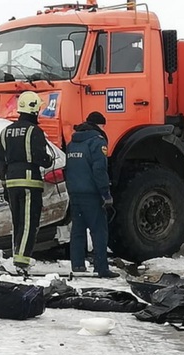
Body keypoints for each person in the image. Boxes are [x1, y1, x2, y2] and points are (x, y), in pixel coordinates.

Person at [0, 91, 53, 278]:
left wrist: (4, 183)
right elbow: (41, 158)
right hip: (30, 181)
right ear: (34, 109)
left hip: (11, 181)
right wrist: (48, 160)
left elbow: (0, 161)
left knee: (17, 222)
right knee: (29, 222)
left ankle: (17, 256)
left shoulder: (6, 132)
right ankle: (21, 260)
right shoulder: (34, 131)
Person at [66, 111, 119, 278]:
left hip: (75, 192)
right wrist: (106, 193)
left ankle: (78, 264)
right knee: (99, 231)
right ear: (99, 125)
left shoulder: (72, 142)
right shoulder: (97, 141)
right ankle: (101, 268)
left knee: (78, 230)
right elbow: (99, 169)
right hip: (92, 193)